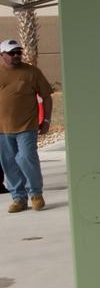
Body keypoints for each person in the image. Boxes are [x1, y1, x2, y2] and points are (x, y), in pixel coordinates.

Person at [0, 39, 53, 212]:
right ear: (2, 55)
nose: (16, 55)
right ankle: (18, 198)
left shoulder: (32, 72)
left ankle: (36, 193)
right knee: (8, 163)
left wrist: (46, 121)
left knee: (26, 157)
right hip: (2, 129)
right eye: (12, 53)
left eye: (18, 52)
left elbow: (47, 97)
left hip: (27, 126)